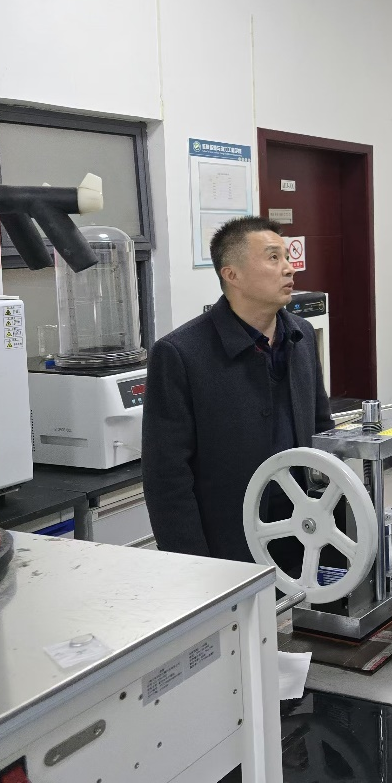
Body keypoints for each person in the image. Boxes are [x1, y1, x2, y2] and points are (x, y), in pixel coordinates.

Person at [142, 216, 332, 572]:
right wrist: (191, 564)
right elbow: (166, 476)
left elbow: (322, 429)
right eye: (273, 257)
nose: (289, 268)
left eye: (286, 256)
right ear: (232, 275)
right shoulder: (181, 354)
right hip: (229, 543)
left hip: (306, 527)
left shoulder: (302, 334)